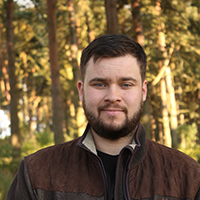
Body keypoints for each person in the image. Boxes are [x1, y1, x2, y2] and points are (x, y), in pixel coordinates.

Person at [7, 34, 200, 200]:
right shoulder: (36, 173)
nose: (113, 97)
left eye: (126, 84)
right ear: (81, 91)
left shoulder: (187, 176)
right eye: (100, 84)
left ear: (143, 91)